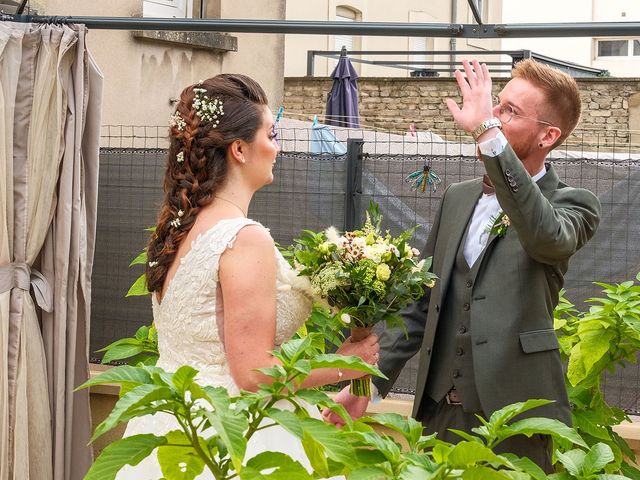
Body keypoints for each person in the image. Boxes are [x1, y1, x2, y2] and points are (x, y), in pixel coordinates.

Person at [326, 59, 601, 472]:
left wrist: (489, 135)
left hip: (516, 419)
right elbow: (422, 304)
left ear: (548, 135)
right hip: (438, 411)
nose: (493, 116)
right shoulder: (457, 196)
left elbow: (545, 236)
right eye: (497, 105)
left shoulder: (572, 204)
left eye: (510, 112)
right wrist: (367, 384)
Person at [115, 74, 379, 479]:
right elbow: (254, 374)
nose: (277, 147)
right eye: (271, 134)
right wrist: (346, 364)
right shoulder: (243, 239)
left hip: (175, 422)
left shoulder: (179, 230)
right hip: (235, 435)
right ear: (239, 149)